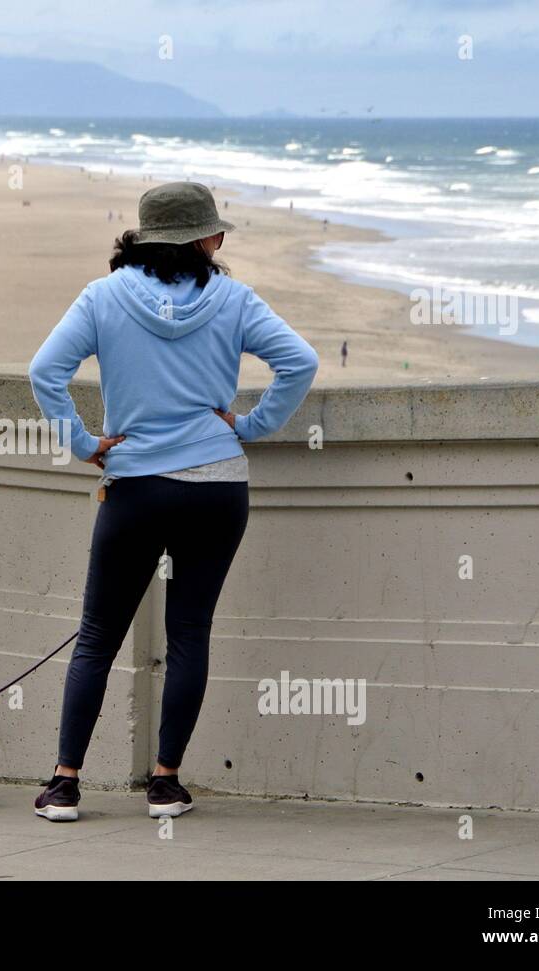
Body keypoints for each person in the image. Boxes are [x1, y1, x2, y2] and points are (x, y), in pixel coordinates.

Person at [27, 182, 319, 821]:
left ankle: (65, 785)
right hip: (217, 486)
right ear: (205, 240)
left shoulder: (102, 297)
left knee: (98, 636)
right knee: (190, 633)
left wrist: (82, 443)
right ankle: (165, 784)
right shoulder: (234, 300)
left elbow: (44, 371)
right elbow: (300, 361)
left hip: (135, 487)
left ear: (143, 237)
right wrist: (251, 426)